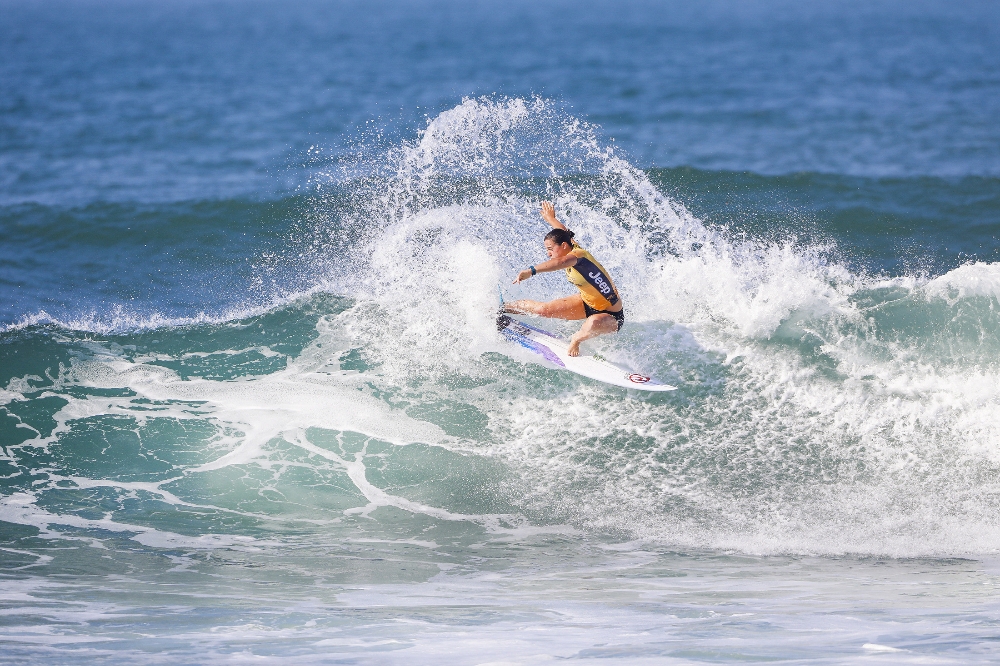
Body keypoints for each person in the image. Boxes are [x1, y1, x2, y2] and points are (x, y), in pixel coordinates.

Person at [502, 201, 624, 357]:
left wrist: (531, 271)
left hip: (612, 316)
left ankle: (577, 339)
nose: (549, 254)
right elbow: (565, 232)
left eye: (551, 249)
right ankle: (501, 307)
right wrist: (550, 219)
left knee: (592, 323)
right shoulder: (570, 246)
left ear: (564, 246)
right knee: (543, 310)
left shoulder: (578, 255)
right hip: (586, 303)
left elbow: (560, 262)